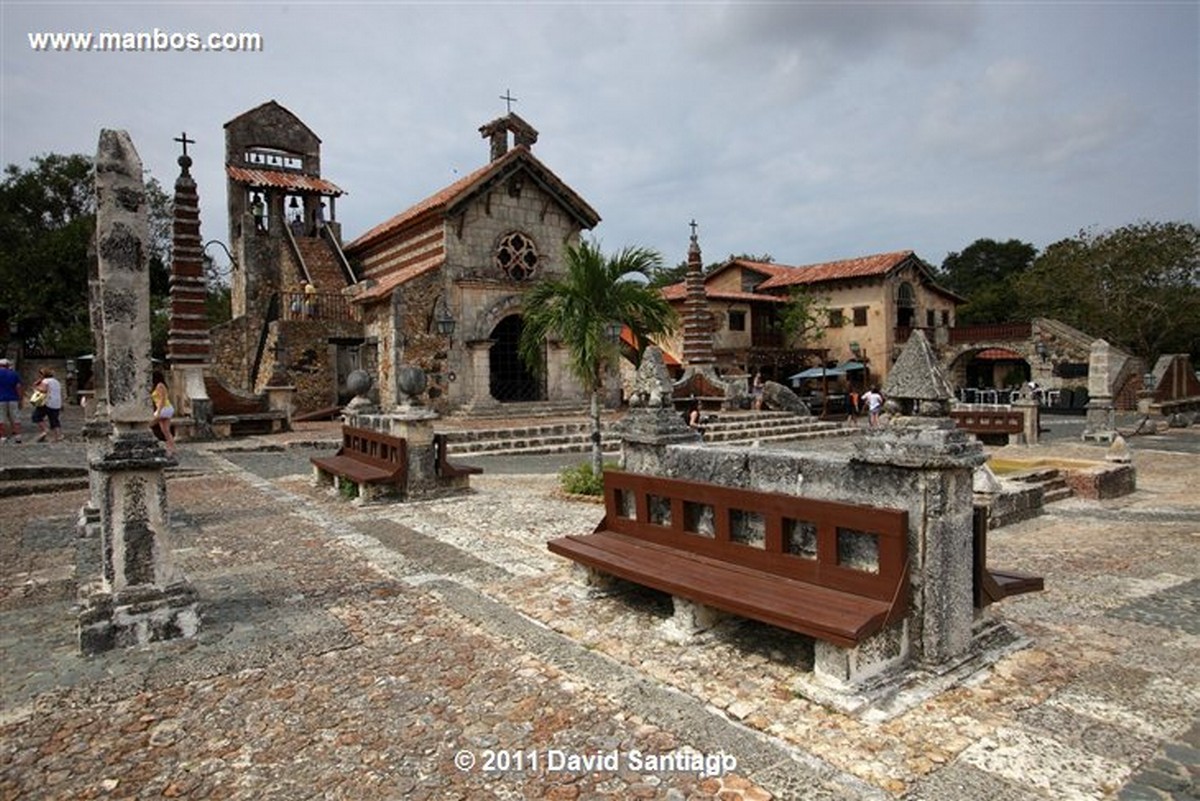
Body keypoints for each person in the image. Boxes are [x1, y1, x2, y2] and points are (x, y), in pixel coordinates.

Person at [31, 366, 63, 443]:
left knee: (36, 416)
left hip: (47, 402)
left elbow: (43, 390)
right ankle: (58, 436)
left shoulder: (45, 381)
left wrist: (36, 387)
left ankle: (45, 430)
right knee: (54, 420)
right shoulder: (56, 381)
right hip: (57, 403)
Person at [151, 371, 176, 456]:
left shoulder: (160, 385)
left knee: (148, 424)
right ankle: (171, 449)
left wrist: (158, 411)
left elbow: (162, 399)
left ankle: (152, 444)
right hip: (165, 409)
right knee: (165, 431)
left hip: (164, 408)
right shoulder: (158, 386)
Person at [0, 358, 23, 443]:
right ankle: (18, 436)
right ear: (7, 365)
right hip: (13, 399)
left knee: (1, 419)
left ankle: (3, 437)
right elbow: (18, 387)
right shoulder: (14, 374)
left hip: (1, 399)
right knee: (15, 418)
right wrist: (20, 399)